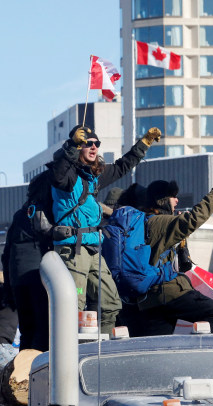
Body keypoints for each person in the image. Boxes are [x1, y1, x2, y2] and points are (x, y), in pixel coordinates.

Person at [48, 124, 162, 334]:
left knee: (110, 303)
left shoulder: (92, 176)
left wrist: (143, 144)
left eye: (96, 144)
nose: (93, 147)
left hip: (92, 248)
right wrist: (71, 146)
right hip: (73, 250)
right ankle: (70, 354)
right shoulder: (67, 174)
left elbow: (122, 166)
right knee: (74, 305)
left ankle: (102, 349)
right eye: (87, 143)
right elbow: (58, 176)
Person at [120, 176, 213, 336]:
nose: (176, 200)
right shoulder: (160, 222)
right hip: (168, 292)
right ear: (161, 200)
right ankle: (204, 354)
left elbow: (179, 263)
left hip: (149, 300)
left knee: (157, 346)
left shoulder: (144, 223)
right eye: (173, 196)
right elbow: (194, 219)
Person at [2, 197, 52, 352]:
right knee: (43, 327)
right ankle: (39, 368)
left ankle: (24, 371)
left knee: (27, 329)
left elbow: (6, 255)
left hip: (17, 277)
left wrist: (8, 288)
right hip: (38, 274)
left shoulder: (19, 216)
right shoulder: (49, 210)